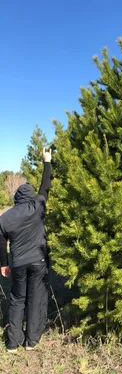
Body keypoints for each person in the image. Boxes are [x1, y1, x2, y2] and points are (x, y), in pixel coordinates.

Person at [0, 147, 52, 352]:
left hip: (19, 262)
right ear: (30, 196)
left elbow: (1, 243)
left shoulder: (5, 217)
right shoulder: (37, 206)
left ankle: (12, 343)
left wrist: (3, 263)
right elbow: (45, 186)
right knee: (35, 298)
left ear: (16, 198)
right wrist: (46, 161)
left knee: (17, 299)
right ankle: (31, 341)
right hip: (38, 261)